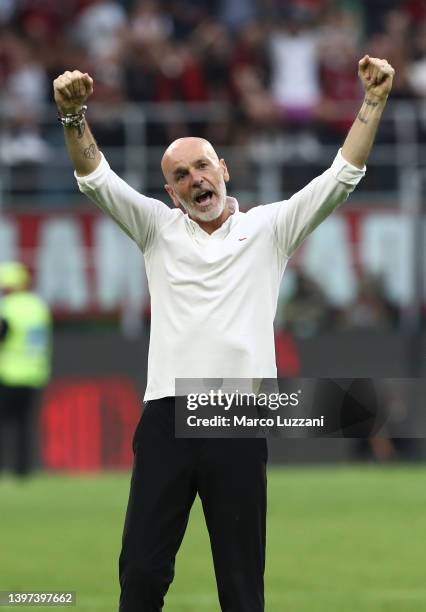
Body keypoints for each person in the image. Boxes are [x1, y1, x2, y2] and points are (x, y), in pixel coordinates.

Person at [53, 54, 394, 611]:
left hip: (237, 416)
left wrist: (373, 102)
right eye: (181, 176)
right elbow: (95, 178)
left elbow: (342, 176)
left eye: (202, 166)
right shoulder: (157, 230)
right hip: (167, 413)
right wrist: (73, 117)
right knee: (141, 574)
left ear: (224, 169)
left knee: (240, 587)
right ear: (170, 192)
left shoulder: (269, 229)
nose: (195, 179)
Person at [0, 262, 52, 477]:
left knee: (4, 424)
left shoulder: (7, 307)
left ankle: (3, 468)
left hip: (10, 373)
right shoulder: (39, 306)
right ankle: (23, 470)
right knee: (24, 425)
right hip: (35, 373)